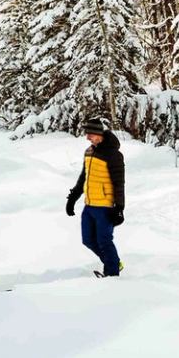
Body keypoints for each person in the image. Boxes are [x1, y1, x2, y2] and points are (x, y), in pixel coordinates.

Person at [65, 117, 125, 277]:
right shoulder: (89, 151)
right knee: (88, 240)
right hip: (89, 204)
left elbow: (119, 183)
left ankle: (112, 275)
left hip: (105, 206)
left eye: (90, 134)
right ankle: (113, 262)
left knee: (104, 241)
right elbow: (83, 177)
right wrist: (72, 198)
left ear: (99, 134)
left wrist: (119, 208)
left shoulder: (114, 155)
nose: (87, 137)